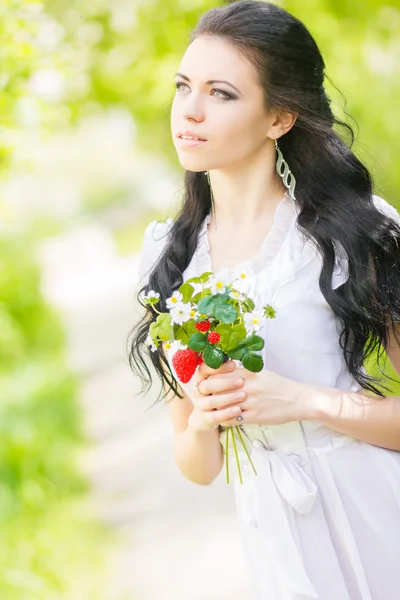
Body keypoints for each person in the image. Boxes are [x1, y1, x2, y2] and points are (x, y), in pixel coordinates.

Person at [128, 2, 400, 598]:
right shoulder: (170, 258)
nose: (189, 111)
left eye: (221, 93)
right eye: (183, 87)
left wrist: (306, 400)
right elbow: (199, 467)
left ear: (279, 117)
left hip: (377, 512)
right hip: (273, 535)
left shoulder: (352, 231)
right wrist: (203, 417)